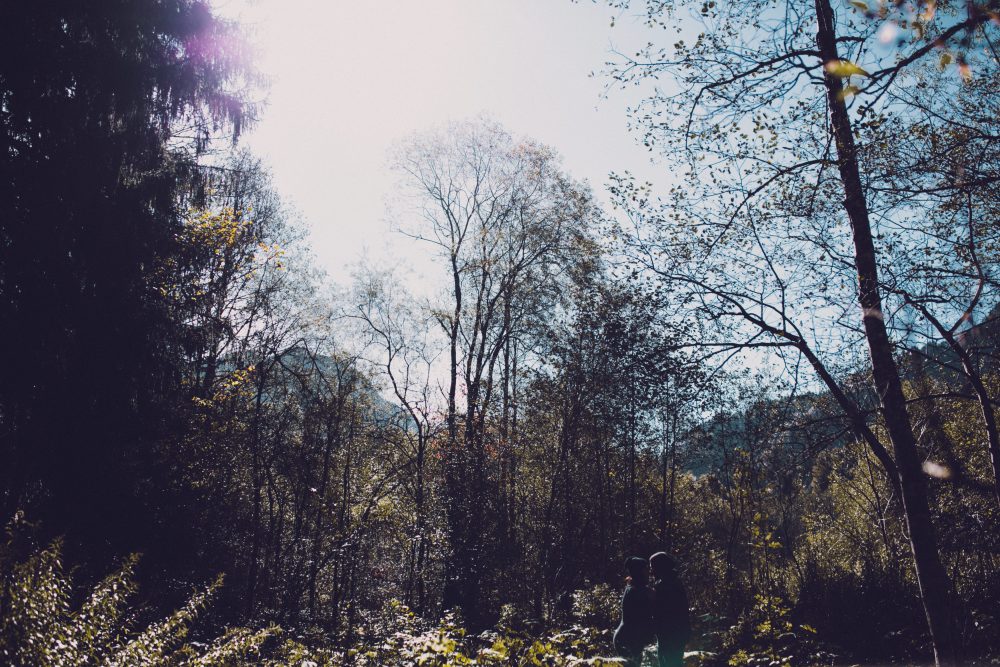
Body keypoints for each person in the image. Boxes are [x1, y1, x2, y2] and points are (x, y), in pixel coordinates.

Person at [649, 552, 691, 667]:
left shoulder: (665, 585)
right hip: (674, 634)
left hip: (670, 635)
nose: (651, 572)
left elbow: (662, 612)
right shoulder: (673, 582)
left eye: (652, 567)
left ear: (660, 567)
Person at [613, 556, 655, 667]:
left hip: (629, 638)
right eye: (646, 569)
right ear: (639, 572)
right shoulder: (636, 591)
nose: (649, 573)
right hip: (628, 639)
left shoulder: (636, 588)